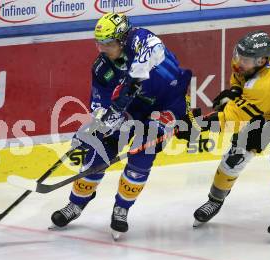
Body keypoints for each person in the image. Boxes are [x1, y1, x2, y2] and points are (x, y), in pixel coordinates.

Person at [50, 13, 195, 240]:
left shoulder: (142, 40)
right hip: (129, 110)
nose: (102, 49)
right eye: (99, 43)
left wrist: (133, 83)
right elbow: (101, 106)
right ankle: (76, 204)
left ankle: (122, 209)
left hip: (166, 107)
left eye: (108, 43)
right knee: (99, 151)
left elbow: (151, 52)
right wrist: (96, 127)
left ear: (123, 38)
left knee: (142, 155)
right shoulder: (102, 68)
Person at [192, 31, 270, 243]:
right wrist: (234, 91)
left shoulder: (265, 85)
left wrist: (194, 126)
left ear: (262, 60)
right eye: (238, 56)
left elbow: (230, 119)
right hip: (267, 109)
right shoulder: (252, 62)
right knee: (234, 156)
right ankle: (215, 200)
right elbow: (240, 78)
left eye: (245, 60)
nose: (239, 62)